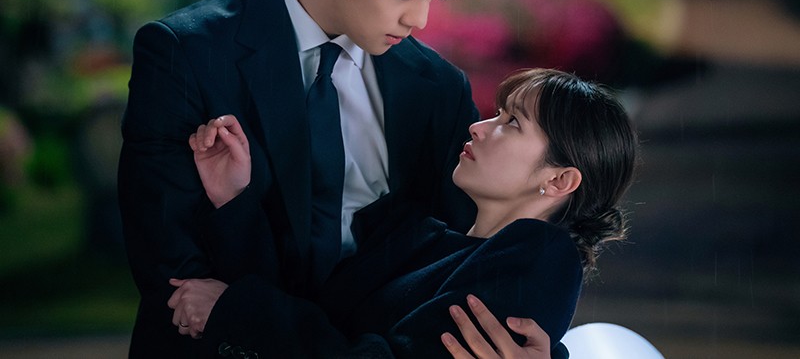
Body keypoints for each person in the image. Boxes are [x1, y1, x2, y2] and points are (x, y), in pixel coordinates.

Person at [118, 0, 505, 358]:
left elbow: (455, 265)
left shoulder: (436, 88)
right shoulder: (186, 55)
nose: (419, 19)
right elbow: (174, 272)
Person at [175, 68, 638, 357]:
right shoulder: (428, 237)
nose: (478, 127)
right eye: (497, 113)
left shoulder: (542, 257)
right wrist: (233, 199)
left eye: (512, 122)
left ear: (559, 180)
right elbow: (315, 315)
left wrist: (236, 310)